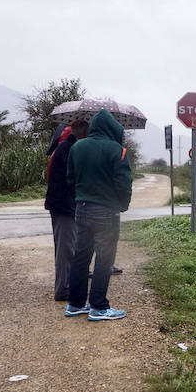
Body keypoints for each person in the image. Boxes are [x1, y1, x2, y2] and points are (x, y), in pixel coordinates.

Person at [64, 109, 132, 321]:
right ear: (112, 128)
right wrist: (122, 205)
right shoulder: (117, 150)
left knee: (81, 256)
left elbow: (70, 179)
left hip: (81, 208)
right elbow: (124, 184)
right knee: (104, 259)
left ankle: (75, 304)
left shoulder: (77, 146)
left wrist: (81, 196)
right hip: (106, 211)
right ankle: (98, 307)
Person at [44, 120, 89, 301]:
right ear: (83, 133)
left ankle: (66, 285)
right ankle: (63, 289)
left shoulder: (66, 147)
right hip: (64, 206)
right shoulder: (69, 149)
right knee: (65, 249)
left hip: (60, 204)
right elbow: (73, 179)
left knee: (66, 247)